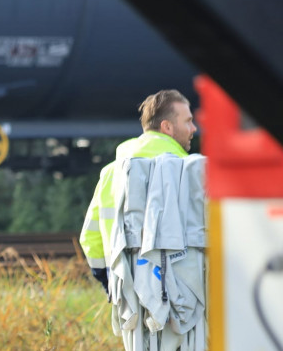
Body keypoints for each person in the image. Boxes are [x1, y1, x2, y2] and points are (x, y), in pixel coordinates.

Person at [80, 89, 197, 294]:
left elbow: (90, 238)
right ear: (167, 127)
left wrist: (109, 282)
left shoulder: (111, 173)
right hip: (185, 297)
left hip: (128, 299)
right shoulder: (189, 171)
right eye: (188, 121)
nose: (194, 128)